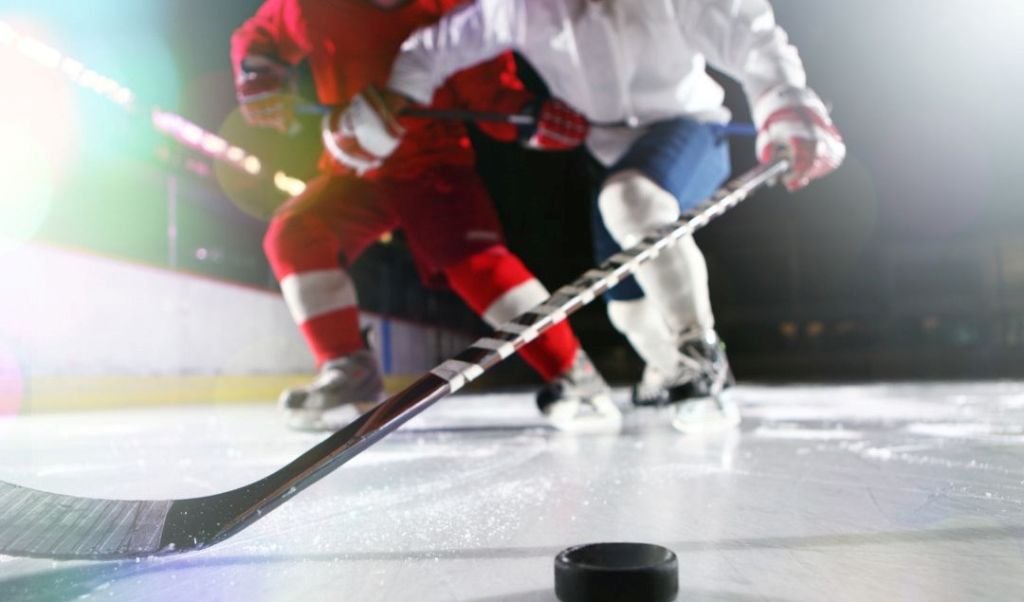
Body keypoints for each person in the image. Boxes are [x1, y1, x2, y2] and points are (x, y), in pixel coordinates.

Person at [327, 0, 846, 432]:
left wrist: (784, 100)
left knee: (630, 202)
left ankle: (703, 359)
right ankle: (669, 369)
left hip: (689, 127)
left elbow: (747, 31)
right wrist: (394, 100)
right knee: (628, 307)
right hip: (611, 152)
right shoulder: (519, 7)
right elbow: (432, 50)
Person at [231, 0, 620, 432]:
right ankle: (347, 369)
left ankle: (575, 373)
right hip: (355, 168)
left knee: (481, 267)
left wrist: (528, 118)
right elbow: (261, 36)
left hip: (434, 167)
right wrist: (257, 73)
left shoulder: (452, 7)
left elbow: (490, 93)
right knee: (295, 234)